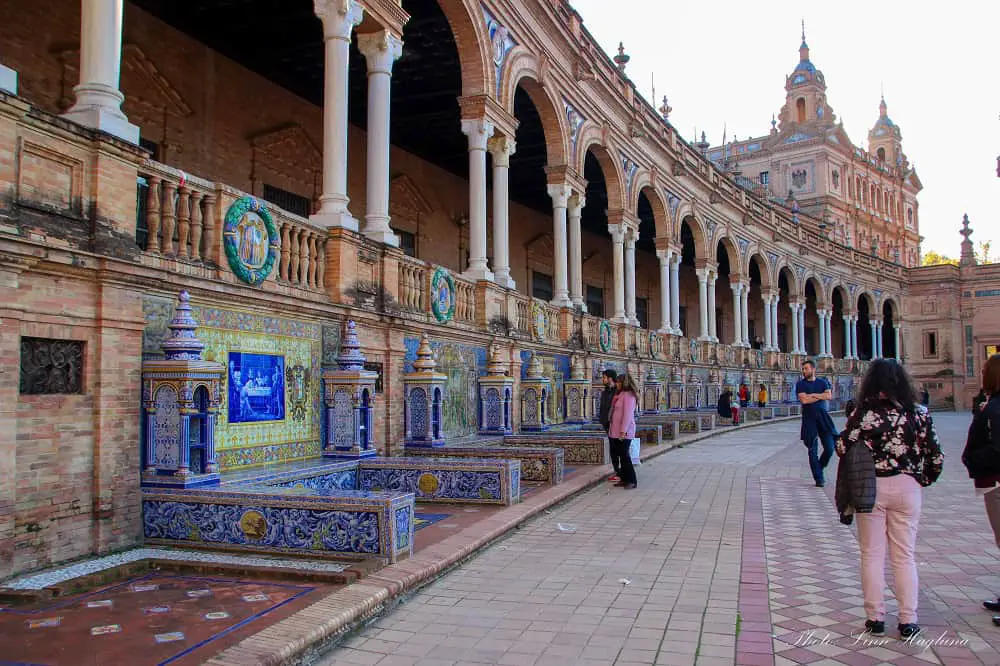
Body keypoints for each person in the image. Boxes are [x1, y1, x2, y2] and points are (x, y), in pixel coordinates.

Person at [837, 359, 942, 639]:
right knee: (904, 555)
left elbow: (841, 445)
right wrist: (921, 479)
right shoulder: (918, 413)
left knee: (871, 554)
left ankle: (875, 617)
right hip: (908, 488)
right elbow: (936, 456)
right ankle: (908, 619)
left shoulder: (865, 413)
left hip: (872, 488)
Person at [962, 354, 1000, 626]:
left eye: (985, 369)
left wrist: (972, 460)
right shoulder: (993, 404)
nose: (982, 371)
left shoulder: (997, 407)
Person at [796, 360, 837, 487]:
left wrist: (812, 395)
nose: (804, 371)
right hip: (809, 419)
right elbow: (804, 400)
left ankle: (819, 467)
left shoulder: (822, 382)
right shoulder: (801, 384)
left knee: (830, 448)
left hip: (823, 418)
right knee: (812, 450)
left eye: (806, 368)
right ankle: (819, 479)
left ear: (813, 369)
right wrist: (820, 396)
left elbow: (829, 396)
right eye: (803, 369)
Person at [609, 373, 639, 489]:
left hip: (624, 432)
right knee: (621, 455)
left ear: (623, 382)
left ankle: (632, 480)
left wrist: (622, 432)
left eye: (618, 382)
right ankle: (624, 478)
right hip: (616, 431)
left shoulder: (629, 395)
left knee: (625, 456)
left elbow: (627, 415)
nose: (616, 384)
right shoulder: (621, 394)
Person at [598, 369, 619, 482]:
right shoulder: (605, 392)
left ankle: (621, 472)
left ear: (610, 378)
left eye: (604, 377)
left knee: (619, 449)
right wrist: (602, 420)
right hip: (607, 424)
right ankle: (617, 471)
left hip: (616, 424)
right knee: (613, 449)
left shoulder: (618, 392)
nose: (603, 379)